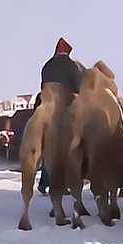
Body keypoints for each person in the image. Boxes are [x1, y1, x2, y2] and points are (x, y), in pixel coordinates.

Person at [35, 37, 84, 192]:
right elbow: (78, 86)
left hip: (46, 103)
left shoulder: (47, 65)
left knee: (48, 146)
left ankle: (44, 182)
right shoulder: (72, 66)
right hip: (66, 105)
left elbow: (42, 85)